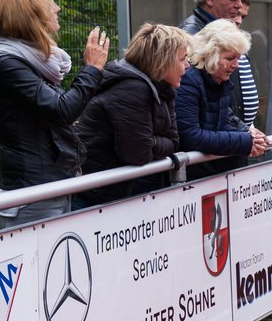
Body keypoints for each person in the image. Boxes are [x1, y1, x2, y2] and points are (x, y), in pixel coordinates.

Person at [0, 0, 109, 227]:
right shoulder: (10, 66)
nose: (57, 8)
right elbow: (62, 110)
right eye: (49, 2)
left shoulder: (34, 62)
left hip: (51, 185)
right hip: (32, 195)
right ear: (32, 14)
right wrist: (92, 69)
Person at [75, 23, 190, 207]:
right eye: (182, 59)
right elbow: (138, 153)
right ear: (164, 61)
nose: (187, 65)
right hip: (96, 196)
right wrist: (153, 142)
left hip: (116, 191)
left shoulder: (163, 88)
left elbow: (174, 141)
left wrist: (150, 141)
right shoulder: (132, 88)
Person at [176, 19, 270, 180]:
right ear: (209, 53)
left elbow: (221, 119)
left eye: (238, 58)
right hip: (195, 179)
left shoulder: (216, 79)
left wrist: (247, 132)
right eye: (230, 58)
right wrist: (244, 141)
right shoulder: (189, 80)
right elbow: (191, 136)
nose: (236, 65)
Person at [181, 0, 259, 128]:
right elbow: (206, 94)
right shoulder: (193, 34)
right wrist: (241, 129)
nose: (239, 5)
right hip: (220, 138)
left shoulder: (224, 28)